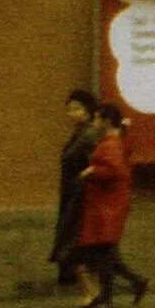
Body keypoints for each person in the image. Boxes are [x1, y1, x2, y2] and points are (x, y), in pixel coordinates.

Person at [68, 102, 149, 308]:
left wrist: (91, 171)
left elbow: (114, 171)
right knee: (104, 250)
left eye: (97, 118)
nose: (94, 122)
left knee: (102, 250)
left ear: (105, 121)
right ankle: (122, 288)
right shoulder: (114, 141)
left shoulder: (110, 144)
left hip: (107, 204)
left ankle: (118, 289)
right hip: (106, 203)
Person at [51, 89, 99, 288]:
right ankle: (91, 291)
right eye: (69, 109)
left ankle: (90, 291)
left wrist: (84, 177)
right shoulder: (79, 133)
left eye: (76, 108)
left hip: (81, 197)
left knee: (76, 244)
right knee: (75, 243)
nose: (71, 113)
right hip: (72, 194)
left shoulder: (89, 135)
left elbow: (97, 163)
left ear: (88, 110)